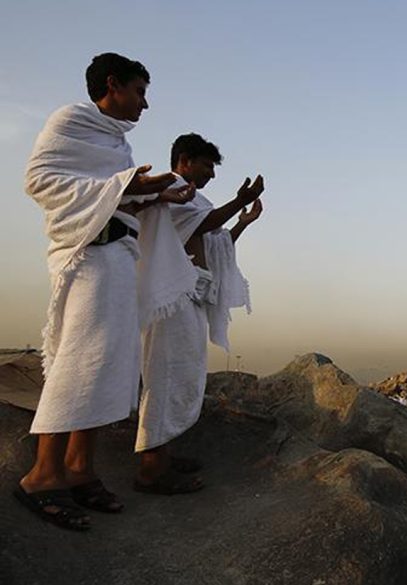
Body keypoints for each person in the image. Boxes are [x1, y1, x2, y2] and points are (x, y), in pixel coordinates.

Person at [17, 52, 194, 530]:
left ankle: (79, 468)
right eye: (139, 92)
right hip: (86, 258)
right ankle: (41, 475)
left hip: (118, 259)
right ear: (112, 85)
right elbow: (39, 181)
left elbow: (117, 198)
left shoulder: (117, 145)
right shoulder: (71, 121)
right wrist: (126, 185)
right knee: (77, 363)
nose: (144, 104)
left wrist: (154, 194)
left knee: (107, 367)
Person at [134, 133, 263, 494]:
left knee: (183, 376)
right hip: (173, 298)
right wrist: (240, 199)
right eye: (207, 165)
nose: (211, 174)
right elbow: (204, 225)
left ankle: (163, 455)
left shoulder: (195, 199)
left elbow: (215, 243)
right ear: (185, 160)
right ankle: (150, 469)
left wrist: (244, 220)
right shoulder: (171, 190)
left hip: (192, 296)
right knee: (165, 376)